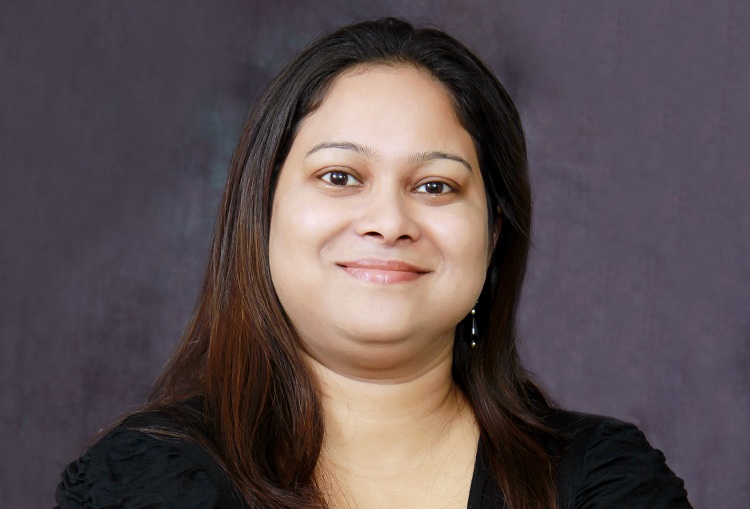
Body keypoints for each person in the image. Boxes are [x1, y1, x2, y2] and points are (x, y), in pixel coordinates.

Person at [55, 17, 691, 509]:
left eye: (436, 186)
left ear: (493, 233)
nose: (388, 221)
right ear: (262, 212)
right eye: (340, 176)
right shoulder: (145, 482)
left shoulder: (604, 483)